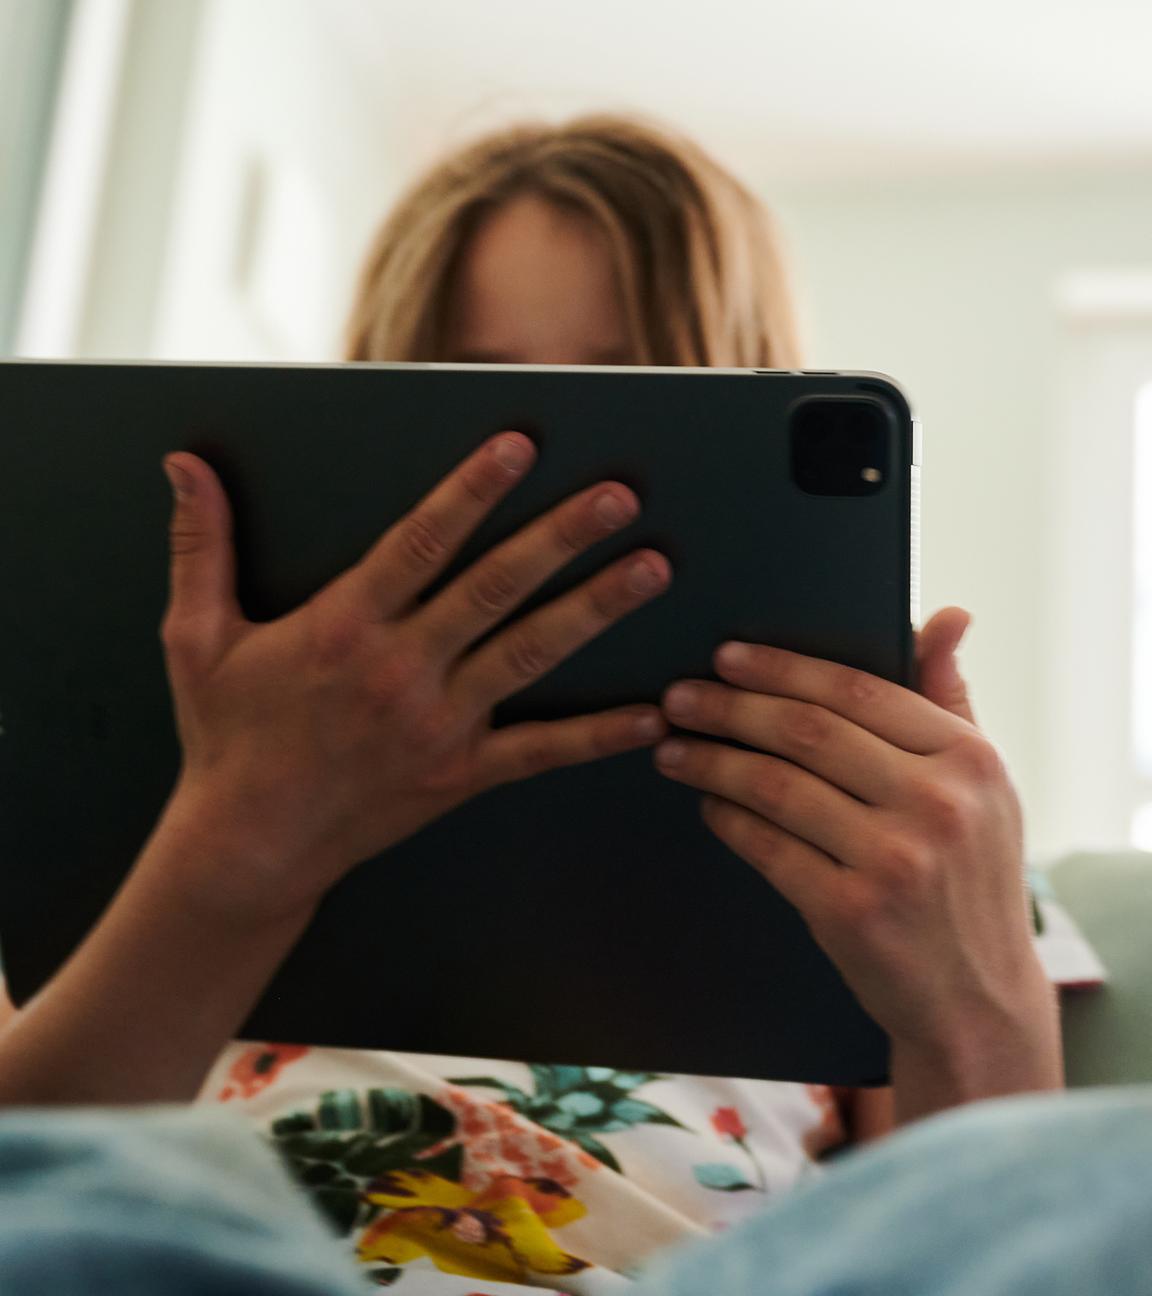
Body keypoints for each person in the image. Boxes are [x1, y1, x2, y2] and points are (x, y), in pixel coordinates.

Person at [0, 115, 1062, 1291]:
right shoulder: (150, 794)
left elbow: (989, 1251)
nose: (535, 479)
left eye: (626, 401)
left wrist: (984, 1004)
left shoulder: (886, 837)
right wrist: (234, 848)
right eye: (469, 399)